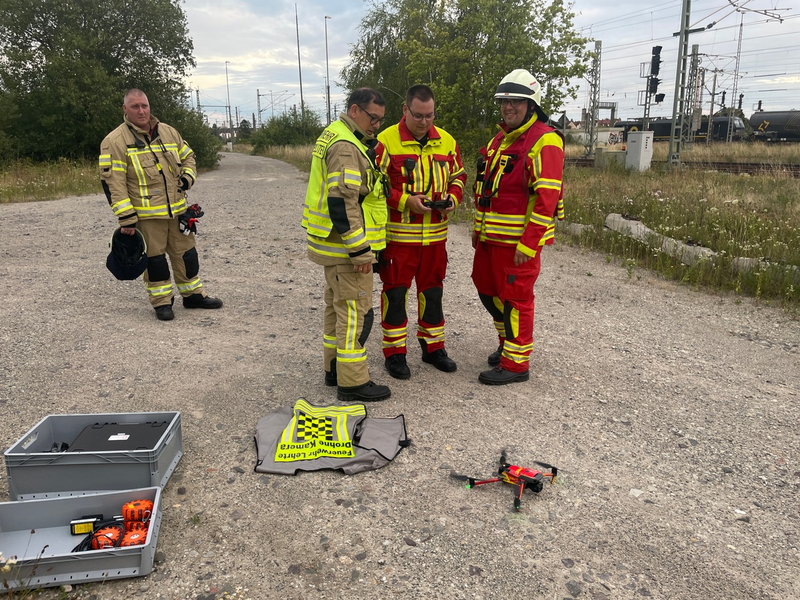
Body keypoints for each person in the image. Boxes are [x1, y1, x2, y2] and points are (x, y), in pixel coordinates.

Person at [471, 69, 565, 385]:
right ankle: (506, 342)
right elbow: (487, 186)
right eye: (504, 101)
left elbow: (546, 199)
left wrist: (530, 244)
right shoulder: (500, 138)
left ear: (531, 104)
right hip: (490, 238)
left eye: (515, 101)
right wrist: (477, 228)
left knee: (515, 300)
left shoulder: (545, 140)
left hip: (517, 245)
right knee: (486, 291)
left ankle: (515, 364)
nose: (508, 107)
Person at [99, 88, 222, 321]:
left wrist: (187, 177)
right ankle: (162, 302)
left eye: (144, 105)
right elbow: (114, 183)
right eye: (135, 106)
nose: (141, 110)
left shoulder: (168, 132)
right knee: (155, 262)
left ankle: (193, 295)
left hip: (178, 211)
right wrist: (126, 219)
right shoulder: (114, 142)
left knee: (187, 255)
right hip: (147, 217)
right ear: (125, 109)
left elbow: (189, 156)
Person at [302, 88, 391, 402]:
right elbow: (342, 202)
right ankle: (352, 382)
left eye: (380, 120)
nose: (376, 126)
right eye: (372, 118)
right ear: (355, 110)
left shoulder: (334, 134)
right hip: (346, 249)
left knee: (336, 309)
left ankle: (333, 370)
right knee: (356, 313)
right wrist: (360, 251)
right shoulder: (346, 145)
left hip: (330, 244)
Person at [374, 85, 467, 380]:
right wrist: (405, 202)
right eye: (418, 115)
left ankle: (433, 347)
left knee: (433, 294)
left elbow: (459, 176)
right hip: (399, 239)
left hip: (435, 239)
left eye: (430, 116)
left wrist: (453, 197)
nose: (425, 122)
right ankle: (395, 353)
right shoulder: (386, 141)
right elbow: (376, 188)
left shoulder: (447, 142)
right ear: (405, 110)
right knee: (396, 296)